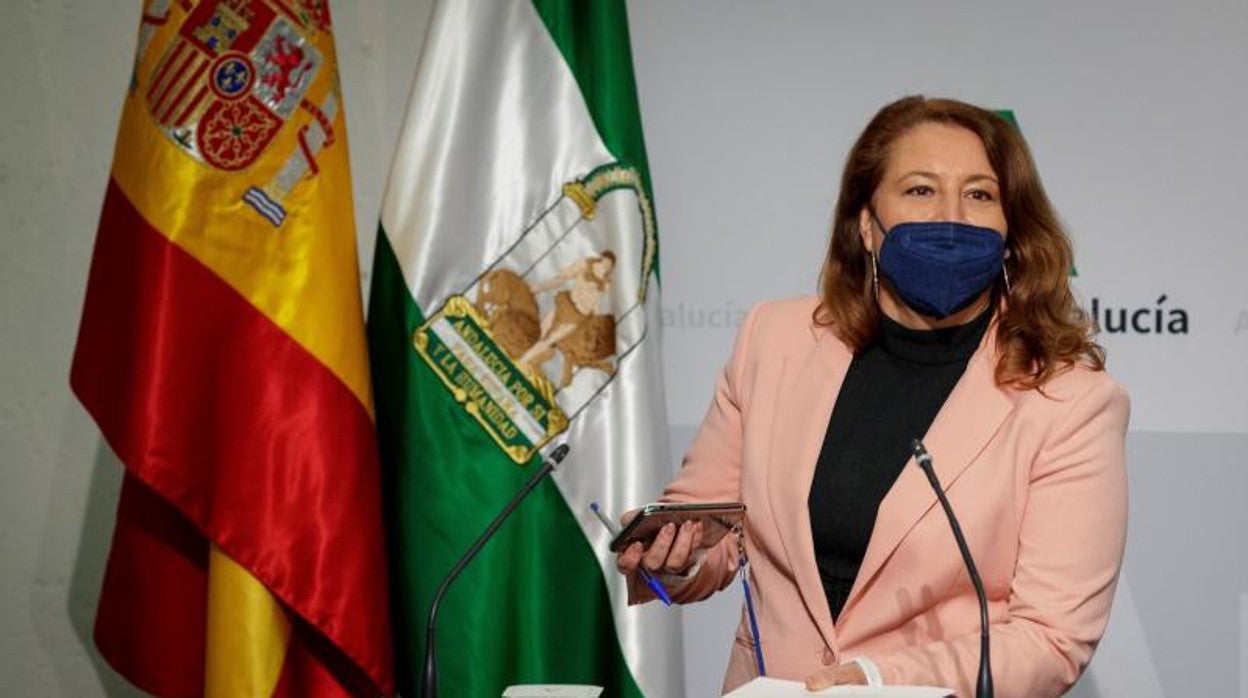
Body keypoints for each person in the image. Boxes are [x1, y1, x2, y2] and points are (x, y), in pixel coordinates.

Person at [614, 96, 1129, 697]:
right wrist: (672, 563)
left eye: (980, 195)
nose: (950, 218)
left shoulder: (1070, 401)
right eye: (919, 191)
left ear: (1012, 229)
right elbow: (712, 537)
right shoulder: (773, 340)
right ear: (865, 223)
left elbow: (1051, 639)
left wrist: (878, 682)